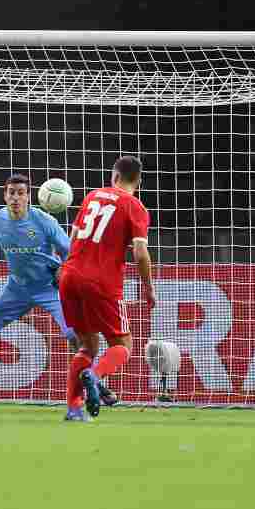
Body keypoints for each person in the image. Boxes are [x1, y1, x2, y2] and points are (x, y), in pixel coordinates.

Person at [0, 174, 118, 406]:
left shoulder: (44, 221)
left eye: (20, 193)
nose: (15, 198)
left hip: (49, 288)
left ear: (28, 197)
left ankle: (97, 383)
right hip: (15, 289)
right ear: (5, 195)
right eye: (11, 192)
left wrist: (63, 272)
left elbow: (70, 252)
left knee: (75, 336)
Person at [59, 156, 156, 421]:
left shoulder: (92, 197)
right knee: (123, 344)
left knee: (87, 346)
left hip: (70, 275)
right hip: (101, 282)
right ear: (137, 181)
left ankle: (74, 408)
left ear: (114, 176)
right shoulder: (134, 206)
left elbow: (72, 239)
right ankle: (95, 375)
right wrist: (148, 286)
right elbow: (140, 252)